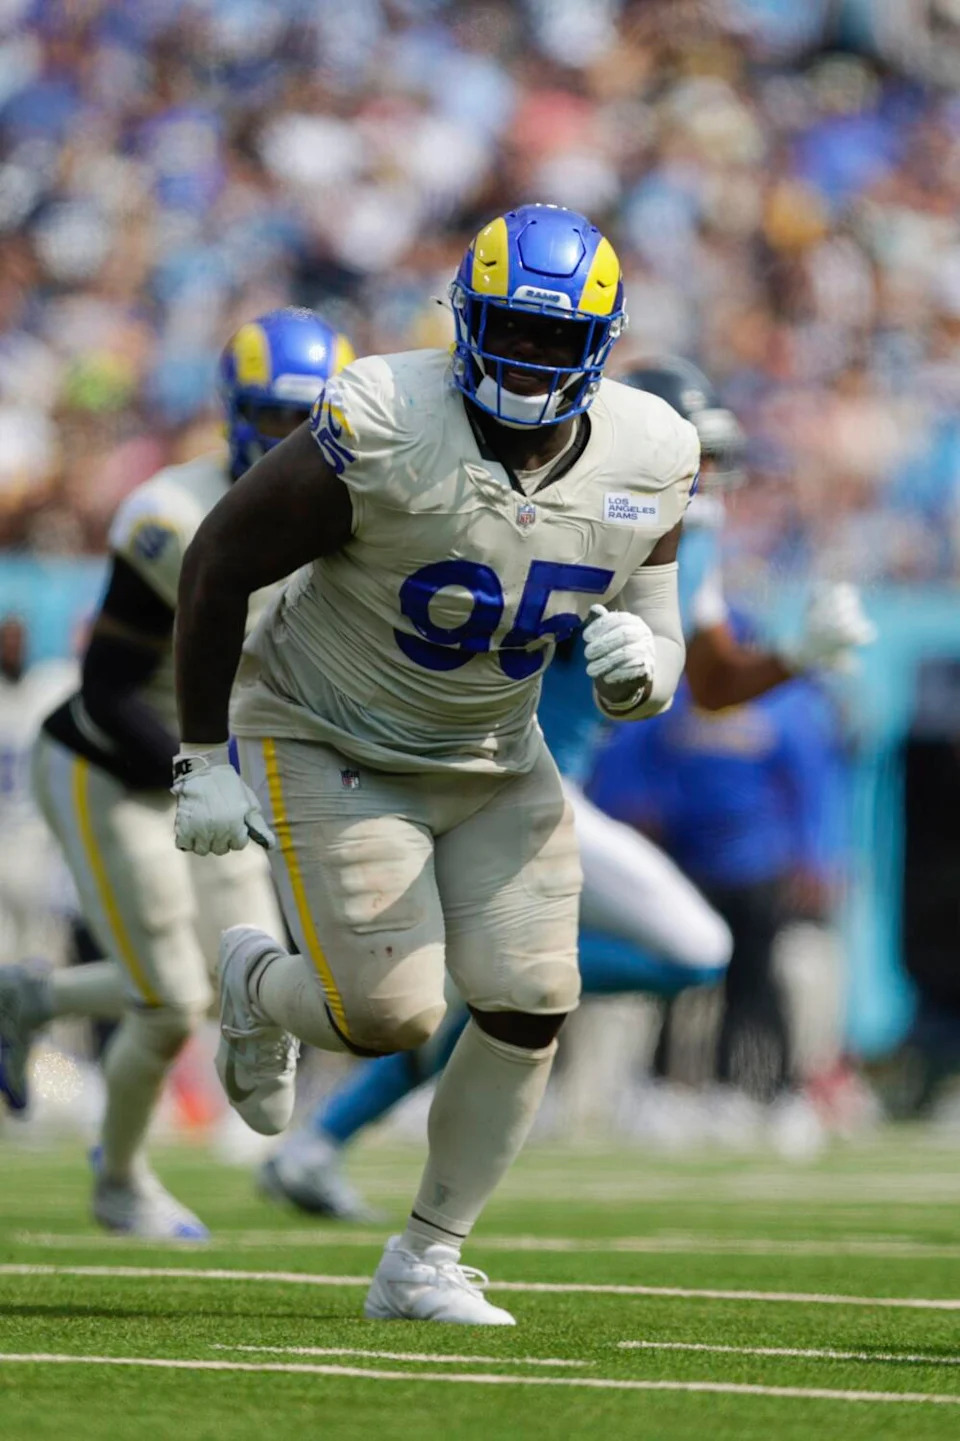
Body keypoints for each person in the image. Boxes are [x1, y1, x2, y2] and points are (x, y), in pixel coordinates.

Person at [171, 203, 699, 1325]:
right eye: (512, 327)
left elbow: (659, 617)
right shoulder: (380, 419)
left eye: (558, 339)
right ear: (464, 318)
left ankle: (424, 1258)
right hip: (331, 733)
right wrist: (201, 753)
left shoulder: (654, 451)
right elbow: (217, 561)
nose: (532, 355)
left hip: (496, 752)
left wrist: (640, 665)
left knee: (533, 994)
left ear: (600, 346)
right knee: (390, 1017)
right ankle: (252, 981)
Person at [257, 357, 875, 1219]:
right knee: (684, 950)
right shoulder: (593, 520)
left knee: (586, 973)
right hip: (505, 778)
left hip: (552, 791)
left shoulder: (681, 538)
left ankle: (326, 1139)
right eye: (698, 462)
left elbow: (713, 677)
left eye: (717, 462)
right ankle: (344, 1112)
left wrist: (795, 657)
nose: (711, 483)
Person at [0, 308, 355, 1241]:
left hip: (216, 771)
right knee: (167, 1003)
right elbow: (106, 687)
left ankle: (28, 997)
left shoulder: (356, 516)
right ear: (235, 414)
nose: (289, 440)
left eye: (307, 419)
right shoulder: (170, 514)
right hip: (110, 762)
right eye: (272, 417)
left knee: (242, 981)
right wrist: (197, 770)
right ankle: (120, 1180)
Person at [0, 615, 76, 965]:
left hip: (38, 846)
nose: (13, 647)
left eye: (18, 639)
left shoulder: (46, 686)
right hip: (8, 842)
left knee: (43, 959)